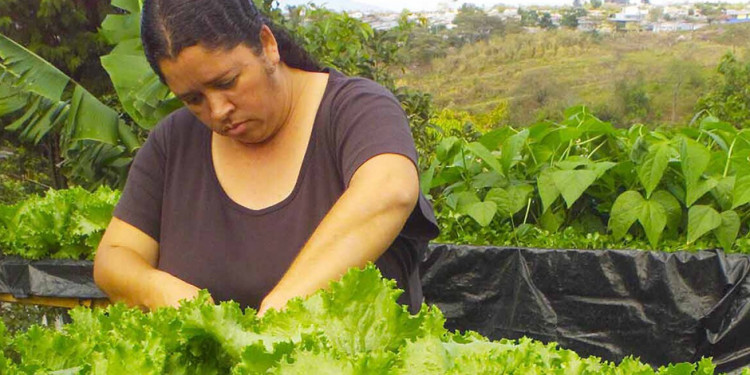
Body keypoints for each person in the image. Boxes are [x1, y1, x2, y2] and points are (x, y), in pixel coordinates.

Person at [93, 0, 439, 315]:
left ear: (267, 44)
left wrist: (281, 310)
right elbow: (115, 257)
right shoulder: (174, 142)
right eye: (193, 99)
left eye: (228, 82)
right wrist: (159, 289)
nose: (218, 111)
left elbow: (390, 190)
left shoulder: (355, 110)